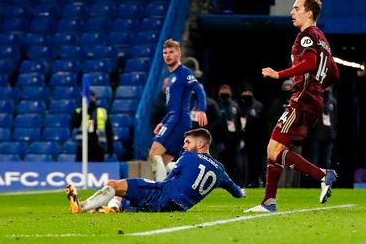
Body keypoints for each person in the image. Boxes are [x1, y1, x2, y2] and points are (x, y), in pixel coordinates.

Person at [245, 0, 339, 213]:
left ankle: (322, 175)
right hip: (313, 100)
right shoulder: (323, 39)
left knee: (272, 149)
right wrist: (318, 88)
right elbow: (334, 73)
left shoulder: (305, 36)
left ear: (308, 12)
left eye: (297, 8)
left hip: (302, 99)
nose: (292, 12)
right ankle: (269, 201)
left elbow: (309, 63)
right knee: (276, 149)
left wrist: (280, 74)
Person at [66, 128, 245, 213]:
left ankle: (80, 207)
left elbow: (167, 182)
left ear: (200, 144)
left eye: (187, 142)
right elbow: (236, 192)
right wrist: (241, 192)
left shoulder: (188, 157)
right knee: (127, 199)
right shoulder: (220, 170)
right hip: (178, 208)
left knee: (116, 185)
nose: (183, 146)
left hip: (164, 196)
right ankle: (112, 209)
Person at [148, 39, 207, 181]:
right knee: (164, 161)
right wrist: (163, 122)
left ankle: (159, 193)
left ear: (179, 53)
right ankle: (189, 174)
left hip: (179, 120)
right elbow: (172, 106)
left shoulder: (184, 73)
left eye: (171, 52)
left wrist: (201, 109)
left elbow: (198, 89)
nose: (167, 55)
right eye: (165, 52)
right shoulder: (171, 77)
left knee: (154, 153)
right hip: (173, 119)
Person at [70, 89, 113, 162]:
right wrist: (85, 110)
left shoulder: (102, 111)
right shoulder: (79, 111)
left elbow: (108, 130)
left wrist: (110, 145)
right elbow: (74, 124)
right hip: (82, 147)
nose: (90, 99)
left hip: (98, 147)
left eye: (92, 97)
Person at [236, 84, 265, 187]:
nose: (247, 94)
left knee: (255, 162)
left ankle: (253, 182)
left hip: (254, 140)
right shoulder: (236, 105)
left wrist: (262, 141)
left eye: (249, 92)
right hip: (238, 138)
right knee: (239, 163)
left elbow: (262, 125)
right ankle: (239, 182)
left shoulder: (258, 106)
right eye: (245, 92)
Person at [215, 84, 242, 183]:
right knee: (221, 163)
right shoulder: (216, 105)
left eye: (227, 90)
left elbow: (238, 124)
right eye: (223, 90)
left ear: (230, 93)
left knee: (236, 164)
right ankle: (220, 183)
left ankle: (237, 184)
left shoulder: (234, 106)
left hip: (234, 140)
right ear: (219, 93)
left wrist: (240, 139)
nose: (225, 92)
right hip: (221, 139)